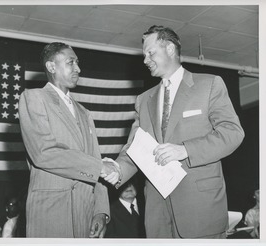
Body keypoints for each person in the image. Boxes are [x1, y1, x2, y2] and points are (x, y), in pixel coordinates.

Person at [103, 25, 245, 238]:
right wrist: (118, 170)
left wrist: (185, 150)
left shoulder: (209, 85)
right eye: (144, 55)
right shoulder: (144, 100)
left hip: (200, 211)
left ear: (170, 49)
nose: (145, 60)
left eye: (150, 53)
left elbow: (232, 133)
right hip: (157, 213)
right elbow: (134, 149)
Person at [19, 42, 119, 238]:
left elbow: (94, 157)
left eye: (78, 63)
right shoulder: (34, 98)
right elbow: (43, 153)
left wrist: (100, 211)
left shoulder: (84, 112)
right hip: (50, 212)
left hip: (85, 213)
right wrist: (100, 167)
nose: (78, 69)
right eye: (71, 62)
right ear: (51, 66)